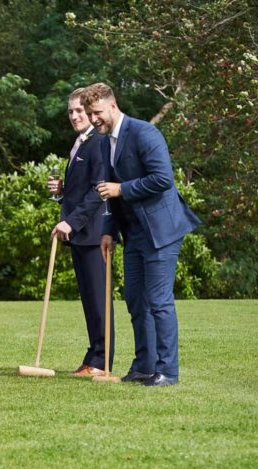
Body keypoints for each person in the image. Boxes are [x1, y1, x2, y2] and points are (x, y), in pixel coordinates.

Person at [81, 83, 199, 387]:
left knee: (159, 300)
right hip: (133, 233)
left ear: (112, 105)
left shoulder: (144, 133)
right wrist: (109, 231)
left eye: (96, 113)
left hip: (161, 230)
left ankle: (168, 372)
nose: (93, 120)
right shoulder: (106, 141)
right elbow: (110, 190)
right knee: (135, 300)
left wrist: (123, 189)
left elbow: (162, 179)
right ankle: (144, 367)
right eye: (90, 114)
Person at [47, 87, 111, 377]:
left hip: (95, 233)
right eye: (71, 111)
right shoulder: (80, 143)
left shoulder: (97, 142)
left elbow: (98, 190)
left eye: (79, 111)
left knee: (99, 299)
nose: (74, 116)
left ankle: (101, 361)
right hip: (81, 235)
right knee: (89, 299)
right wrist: (62, 193)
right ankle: (93, 357)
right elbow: (81, 189)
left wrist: (70, 222)